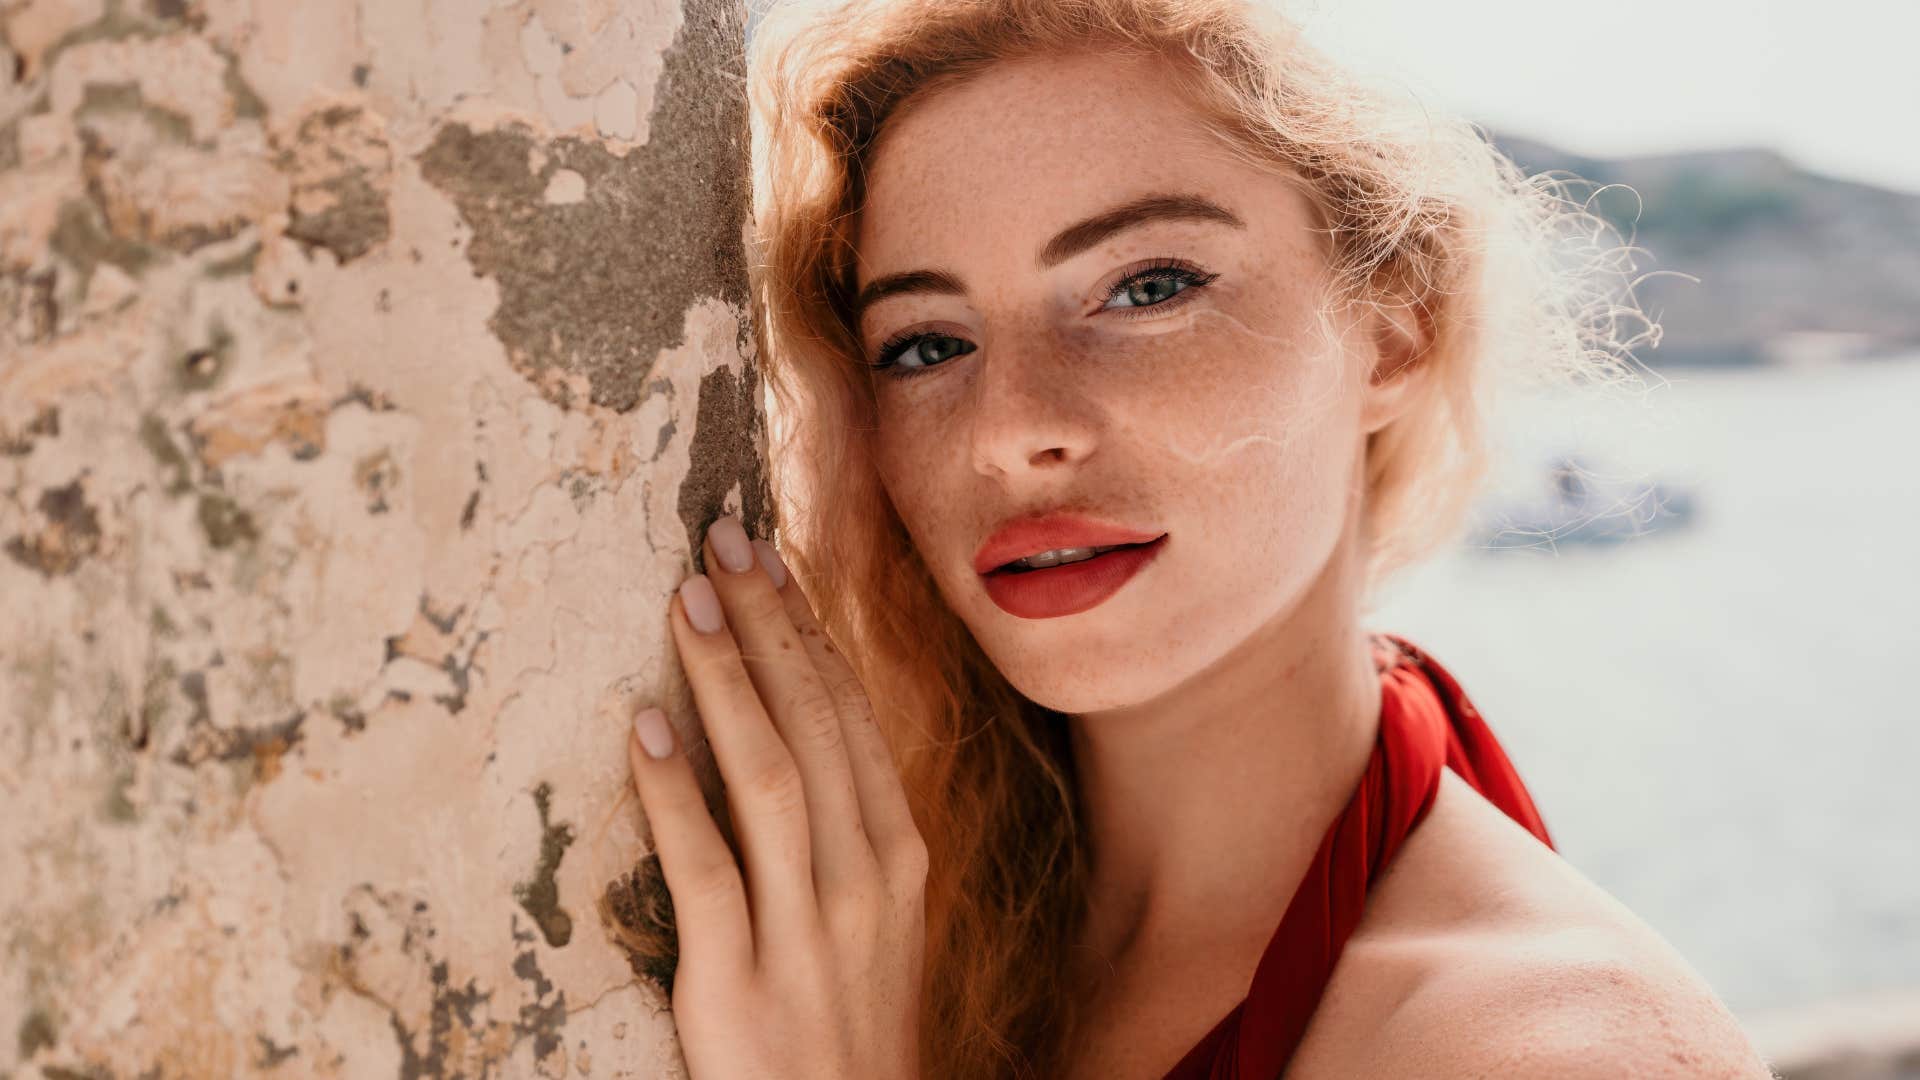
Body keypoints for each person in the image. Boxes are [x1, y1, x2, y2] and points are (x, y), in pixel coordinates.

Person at [619, 0, 1776, 1076]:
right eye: (924, 345)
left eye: (1147, 286)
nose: (1012, 432)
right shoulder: (867, 922)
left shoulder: (1552, 1046)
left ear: (1391, 333)